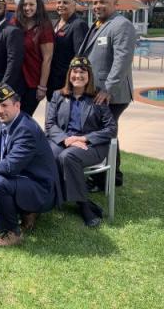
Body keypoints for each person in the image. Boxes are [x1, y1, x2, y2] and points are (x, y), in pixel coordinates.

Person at [0, 84, 60, 247]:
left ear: (17, 105)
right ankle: (23, 212)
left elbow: (11, 167)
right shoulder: (6, 121)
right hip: (17, 180)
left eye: (4, 105)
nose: (0, 110)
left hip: (38, 187)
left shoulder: (25, 129)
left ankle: (12, 232)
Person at [45, 56, 117, 227]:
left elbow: (111, 129)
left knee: (68, 157)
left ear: (89, 75)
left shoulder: (97, 97)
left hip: (90, 145)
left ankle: (83, 206)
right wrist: (67, 140)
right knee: (49, 155)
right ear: (69, 75)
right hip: (64, 140)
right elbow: (49, 124)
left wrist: (83, 138)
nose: (78, 75)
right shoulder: (58, 95)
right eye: (75, 72)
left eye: (82, 72)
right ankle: (54, 197)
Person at [78, 0, 137, 188]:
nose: (98, 6)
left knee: (105, 132)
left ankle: (105, 179)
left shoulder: (121, 24)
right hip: (96, 91)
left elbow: (122, 60)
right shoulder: (99, 24)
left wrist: (108, 89)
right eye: (95, 2)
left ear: (115, 4)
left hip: (112, 94)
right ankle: (113, 175)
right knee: (108, 132)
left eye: (103, 2)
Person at [14, 0, 54, 116]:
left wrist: (42, 87)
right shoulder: (16, 23)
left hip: (33, 82)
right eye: (25, 5)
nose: (27, 8)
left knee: (24, 118)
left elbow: (48, 58)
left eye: (31, 5)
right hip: (15, 80)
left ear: (38, 6)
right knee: (11, 118)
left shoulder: (44, 27)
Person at [47, 0, 88, 100]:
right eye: (59, 2)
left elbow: (79, 56)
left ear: (74, 5)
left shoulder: (78, 25)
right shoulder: (55, 23)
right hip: (52, 81)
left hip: (66, 83)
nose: (61, 5)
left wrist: (70, 83)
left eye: (65, 2)